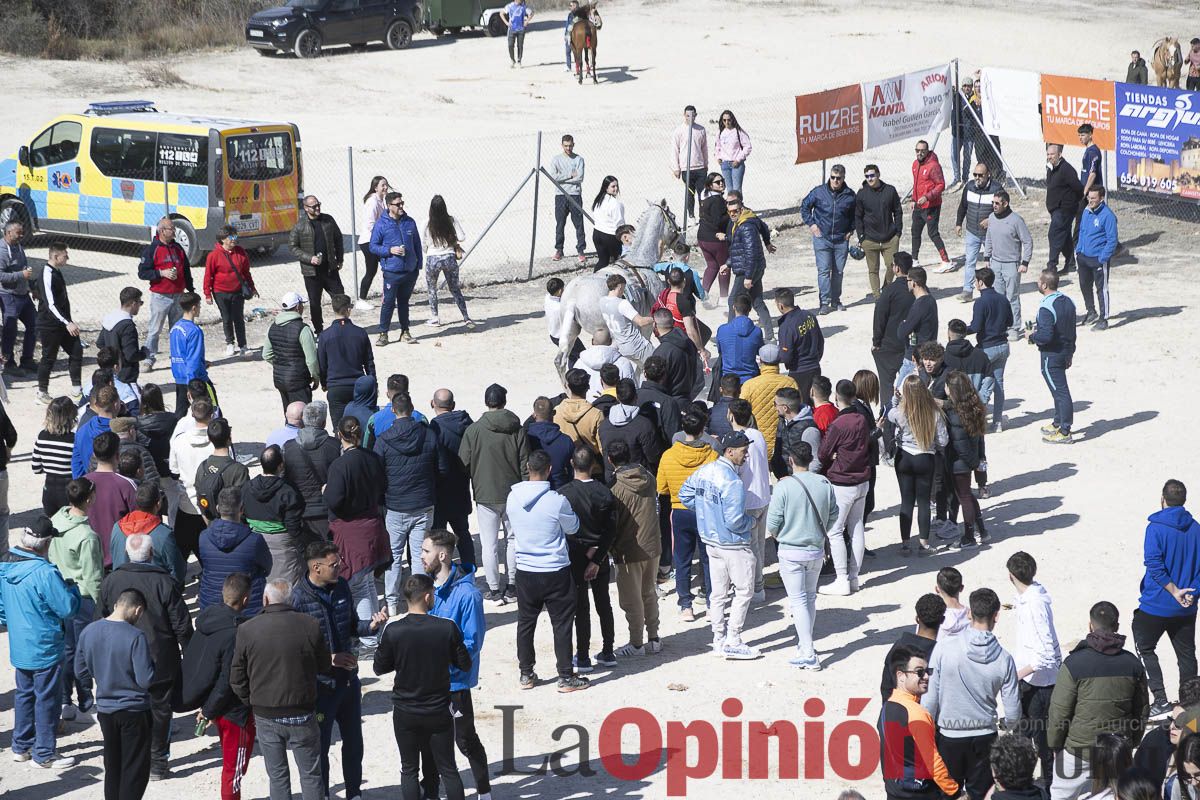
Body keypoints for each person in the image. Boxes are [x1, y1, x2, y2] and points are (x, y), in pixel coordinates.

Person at [293, 541, 388, 800]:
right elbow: (296, 651)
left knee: (354, 742)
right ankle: (321, 793)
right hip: (320, 686)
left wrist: (371, 626)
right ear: (316, 567)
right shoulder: (298, 599)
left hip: (348, 680)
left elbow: (352, 626)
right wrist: (329, 659)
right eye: (334, 565)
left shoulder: (342, 586)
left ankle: (354, 792)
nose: (340, 568)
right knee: (320, 746)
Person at [98, 533, 193, 780]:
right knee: (160, 709)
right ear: (151, 554)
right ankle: (157, 764)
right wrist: (190, 653)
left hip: (120, 657)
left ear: (128, 554)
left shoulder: (111, 581)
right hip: (159, 657)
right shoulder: (165, 582)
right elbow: (181, 625)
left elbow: (103, 615)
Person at [374, 574, 472, 800]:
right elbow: (464, 664)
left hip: (406, 711)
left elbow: (380, 667)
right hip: (438, 709)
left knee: (409, 768)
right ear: (427, 596)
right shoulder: (446, 627)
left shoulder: (394, 630)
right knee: (448, 768)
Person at [230, 580, 329, 800]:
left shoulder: (247, 629)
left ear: (265, 599)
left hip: (266, 712)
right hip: (302, 710)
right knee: (311, 775)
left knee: (277, 776)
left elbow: (237, 676)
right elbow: (324, 666)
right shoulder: (310, 624)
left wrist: (252, 700)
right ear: (291, 600)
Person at [923, 587, 1021, 800]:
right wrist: (1007, 726)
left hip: (950, 735)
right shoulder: (1005, 659)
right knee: (981, 795)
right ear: (996, 615)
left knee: (947, 793)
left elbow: (930, 699)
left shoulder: (944, 648)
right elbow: (1013, 712)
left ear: (969, 613)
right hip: (985, 735)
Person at [1047, 601, 1149, 800]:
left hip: (1078, 749)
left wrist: (1055, 745)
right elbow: (1141, 710)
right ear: (1117, 627)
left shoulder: (1074, 663)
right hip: (1116, 750)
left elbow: (1059, 711)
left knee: (1061, 795)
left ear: (1090, 626)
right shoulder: (1133, 664)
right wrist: (1131, 742)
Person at [0, 523, 82, 770]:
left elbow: (2, 611)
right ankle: (44, 753)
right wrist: (73, 589)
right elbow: (68, 608)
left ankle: (21, 746)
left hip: (20, 645)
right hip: (45, 645)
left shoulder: (4, 568)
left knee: (24, 694)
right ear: (45, 544)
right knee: (47, 699)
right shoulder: (44, 573)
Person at [507, 449, 589, 691]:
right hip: (554, 570)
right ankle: (565, 676)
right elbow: (573, 527)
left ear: (528, 469)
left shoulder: (513, 497)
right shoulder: (556, 500)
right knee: (562, 624)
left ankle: (526, 673)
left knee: (525, 622)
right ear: (549, 470)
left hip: (525, 570)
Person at [422, 529, 491, 799]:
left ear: (442, 554)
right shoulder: (425, 587)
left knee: (464, 740)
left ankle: (484, 791)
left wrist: (444, 665)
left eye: (426, 551)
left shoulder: (468, 595)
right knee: (428, 742)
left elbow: (473, 643)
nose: (421, 555)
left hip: (454, 682)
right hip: (428, 682)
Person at [680, 431, 759, 659]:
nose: (746, 455)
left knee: (718, 593)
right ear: (730, 451)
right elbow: (735, 521)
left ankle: (718, 639)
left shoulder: (705, 471)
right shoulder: (733, 482)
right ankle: (733, 639)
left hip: (711, 542)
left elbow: (685, 495)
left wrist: (706, 513)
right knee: (744, 591)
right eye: (744, 451)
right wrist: (752, 522)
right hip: (733, 544)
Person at [179, 573, 254, 800]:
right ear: (245, 600)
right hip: (235, 712)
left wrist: (208, 708)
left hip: (214, 706)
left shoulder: (205, 621)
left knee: (230, 766)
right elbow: (229, 678)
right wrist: (210, 709)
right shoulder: (236, 632)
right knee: (234, 771)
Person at [75, 587, 155, 800]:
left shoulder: (88, 632)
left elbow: (79, 671)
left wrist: (92, 690)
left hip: (105, 711)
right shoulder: (136, 636)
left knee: (113, 766)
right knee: (134, 770)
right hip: (134, 710)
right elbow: (145, 680)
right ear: (137, 610)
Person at [1133, 479, 1200, 720]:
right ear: (1184, 500)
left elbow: (1154, 565)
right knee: (1186, 656)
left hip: (1156, 605)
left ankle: (1160, 700)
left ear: (1162, 499)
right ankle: (1191, 705)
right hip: (1187, 608)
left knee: (1144, 646)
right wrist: (1192, 593)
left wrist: (1174, 591)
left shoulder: (1155, 528)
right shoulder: (1197, 528)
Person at [768, 440, 838, 668]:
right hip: (815, 549)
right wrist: (820, 531)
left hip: (791, 550)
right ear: (811, 459)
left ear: (790, 460)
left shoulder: (784, 486)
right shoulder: (824, 482)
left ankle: (807, 650)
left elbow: (773, 522)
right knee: (809, 598)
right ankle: (805, 644)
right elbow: (834, 515)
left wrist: (782, 535)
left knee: (798, 600)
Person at [324, 415, 389, 650]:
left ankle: (370, 639)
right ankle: (375, 631)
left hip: (352, 530)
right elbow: (383, 486)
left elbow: (334, 501)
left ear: (340, 435)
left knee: (357, 584)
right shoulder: (373, 458)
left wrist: (326, 491)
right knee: (367, 581)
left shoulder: (340, 465)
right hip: (372, 524)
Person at [375, 391, 443, 612]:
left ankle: (392, 605)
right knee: (419, 555)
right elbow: (440, 467)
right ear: (412, 409)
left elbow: (377, 473)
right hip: (423, 503)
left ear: (393, 410)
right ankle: (419, 602)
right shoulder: (429, 435)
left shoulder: (384, 440)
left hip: (395, 505)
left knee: (393, 557)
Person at [460, 383, 528, 603]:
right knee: (512, 540)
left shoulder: (474, 430)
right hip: (513, 493)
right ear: (504, 402)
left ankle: (494, 590)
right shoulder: (517, 429)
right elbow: (525, 462)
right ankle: (511, 586)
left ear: (486, 402)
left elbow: (463, 462)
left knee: (489, 545)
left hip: (485, 494)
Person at [557, 446, 618, 671]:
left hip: (575, 556)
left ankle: (582, 657)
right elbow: (611, 530)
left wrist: (585, 555)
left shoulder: (563, 493)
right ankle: (608, 651)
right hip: (599, 555)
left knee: (581, 607)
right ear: (594, 465)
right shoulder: (605, 492)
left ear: (572, 464)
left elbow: (562, 529)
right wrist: (597, 557)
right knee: (604, 603)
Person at [1006, 551, 1063, 787]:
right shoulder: (1031, 595)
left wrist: (1015, 676)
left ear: (1010, 576)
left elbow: (1046, 654)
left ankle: (1046, 787)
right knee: (1027, 738)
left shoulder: (1034, 606)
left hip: (1038, 684)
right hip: (1036, 681)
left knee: (1040, 743)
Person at [49, 479, 102, 716]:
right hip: (81, 598)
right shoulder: (87, 535)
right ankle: (85, 699)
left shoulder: (55, 521)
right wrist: (102, 604)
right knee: (83, 651)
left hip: (58, 595)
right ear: (89, 499)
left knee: (66, 649)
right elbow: (92, 577)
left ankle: (64, 700)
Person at [879, 646, 960, 799]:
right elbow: (933, 762)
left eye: (927, 671)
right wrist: (954, 792)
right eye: (919, 672)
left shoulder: (886, 709)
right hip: (920, 794)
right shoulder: (917, 714)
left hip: (894, 793)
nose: (926, 677)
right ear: (901, 676)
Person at [656, 411, 715, 620]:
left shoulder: (669, 455)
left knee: (682, 559)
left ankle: (685, 605)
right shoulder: (712, 455)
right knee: (709, 559)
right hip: (705, 512)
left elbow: (661, 488)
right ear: (702, 431)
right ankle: (711, 603)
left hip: (679, 511)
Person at [606, 440, 662, 656]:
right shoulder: (649, 477)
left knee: (632, 599)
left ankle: (636, 643)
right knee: (649, 593)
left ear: (610, 460)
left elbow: (614, 522)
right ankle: (654, 638)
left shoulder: (616, 488)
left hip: (629, 549)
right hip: (652, 544)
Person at [818, 379, 871, 595]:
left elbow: (822, 453)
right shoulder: (861, 418)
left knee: (835, 531)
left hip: (843, 481)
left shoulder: (839, 424)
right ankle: (854, 577)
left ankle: (841, 579)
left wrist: (831, 455)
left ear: (836, 397)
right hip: (862, 480)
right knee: (857, 527)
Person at [888, 375, 948, 554]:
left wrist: (896, 399)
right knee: (923, 502)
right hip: (925, 457)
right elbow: (943, 441)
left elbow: (888, 412)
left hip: (904, 457)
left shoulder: (900, 412)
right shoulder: (934, 412)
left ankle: (905, 544)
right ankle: (924, 544)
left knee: (906, 501)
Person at [198, 487, 271, 617]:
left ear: (217, 508)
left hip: (211, 603)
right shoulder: (254, 540)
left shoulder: (203, 537)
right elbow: (267, 568)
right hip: (247, 606)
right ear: (242, 509)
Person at [243, 444, 307, 585]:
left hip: (256, 541)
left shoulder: (247, 487)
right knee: (286, 587)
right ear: (281, 466)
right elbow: (293, 525)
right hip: (284, 546)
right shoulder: (288, 491)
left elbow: (243, 515)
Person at [428, 389, 478, 567]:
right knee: (463, 533)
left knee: (438, 536)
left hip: (441, 490)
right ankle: (469, 567)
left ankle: (440, 569)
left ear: (433, 404)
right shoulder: (468, 424)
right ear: (453, 405)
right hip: (461, 487)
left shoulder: (433, 428)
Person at [1028, 270, 1077, 444]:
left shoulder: (1046, 307)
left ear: (1044, 285)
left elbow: (1046, 336)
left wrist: (1032, 336)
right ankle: (1057, 422)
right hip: (1064, 351)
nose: (1037, 284)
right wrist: (1071, 352)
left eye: (1038, 281)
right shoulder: (1068, 301)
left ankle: (1065, 431)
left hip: (1051, 356)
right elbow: (1072, 331)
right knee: (1058, 390)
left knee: (1060, 392)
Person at [137, 218, 193, 371]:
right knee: (155, 329)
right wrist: (161, 273)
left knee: (177, 328)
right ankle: (149, 358)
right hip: (160, 296)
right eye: (171, 228)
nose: (174, 231)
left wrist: (191, 289)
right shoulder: (151, 249)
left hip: (178, 294)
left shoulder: (178, 248)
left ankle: (178, 356)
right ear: (162, 231)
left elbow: (186, 269)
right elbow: (142, 273)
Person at [284, 400, 343, 542]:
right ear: (323, 422)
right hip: (327, 512)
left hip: (299, 512)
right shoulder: (335, 446)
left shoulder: (288, 448)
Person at [801, 163, 856, 314]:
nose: (835, 181)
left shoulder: (850, 195)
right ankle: (824, 302)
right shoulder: (818, 192)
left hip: (840, 239)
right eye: (833, 177)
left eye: (838, 178)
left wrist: (851, 230)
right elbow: (804, 207)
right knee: (824, 270)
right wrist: (812, 224)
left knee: (838, 272)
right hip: (822, 238)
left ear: (843, 178)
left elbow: (856, 214)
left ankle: (836, 300)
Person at [369, 190, 423, 345]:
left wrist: (418, 265)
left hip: (410, 271)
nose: (401, 206)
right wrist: (389, 250)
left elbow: (417, 244)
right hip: (392, 271)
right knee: (388, 303)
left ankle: (405, 332)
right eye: (397, 204)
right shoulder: (381, 224)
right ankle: (383, 334)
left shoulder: (409, 222)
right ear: (389, 205)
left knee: (404, 302)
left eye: (402, 203)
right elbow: (373, 246)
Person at [722, 190, 776, 339]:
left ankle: (730, 335)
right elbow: (739, 249)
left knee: (733, 300)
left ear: (741, 209)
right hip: (753, 268)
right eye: (730, 212)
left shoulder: (745, 226)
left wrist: (748, 277)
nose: (732, 214)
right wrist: (728, 263)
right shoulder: (743, 221)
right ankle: (770, 335)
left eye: (735, 211)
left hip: (748, 270)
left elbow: (750, 253)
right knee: (757, 301)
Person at [944, 371, 989, 548]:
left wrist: (974, 464)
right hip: (970, 460)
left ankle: (969, 537)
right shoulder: (972, 406)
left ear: (952, 390)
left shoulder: (956, 416)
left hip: (960, 464)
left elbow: (960, 446)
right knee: (968, 496)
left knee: (964, 498)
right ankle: (982, 531)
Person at [35, 242, 84, 404]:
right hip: (49, 324)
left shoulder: (57, 272)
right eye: (65, 255)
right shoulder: (46, 273)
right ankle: (42, 392)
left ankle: (77, 390)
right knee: (49, 357)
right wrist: (67, 322)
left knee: (76, 350)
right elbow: (50, 304)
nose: (67, 257)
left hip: (63, 323)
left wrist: (68, 321)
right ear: (56, 257)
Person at [982, 188, 1033, 342]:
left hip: (1012, 264)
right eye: (993, 203)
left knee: (1012, 297)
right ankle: (1000, 326)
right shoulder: (991, 217)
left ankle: (1014, 328)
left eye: (997, 203)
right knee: (998, 297)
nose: (994, 206)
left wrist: (1025, 262)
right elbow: (989, 238)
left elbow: (1028, 241)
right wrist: (986, 257)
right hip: (995, 263)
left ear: (1006, 203)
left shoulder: (1016, 220)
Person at [110, 481, 184, 585]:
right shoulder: (164, 534)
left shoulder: (117, 528)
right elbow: (177, 570)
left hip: (123, 590)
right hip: (153, 592)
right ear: (158, 504)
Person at [966, 267, 1013, 429]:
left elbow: (976, 326)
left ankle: (977, 419)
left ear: (981, 282)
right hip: (1003, 346)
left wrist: (961, 330)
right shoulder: (1003, 299)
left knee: (978, 384)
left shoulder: (980, 302)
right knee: (999, 384)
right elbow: (1010, 322)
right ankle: (998, 422)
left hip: (987, 348)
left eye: (976, 281)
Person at [317, 293, 375, 426]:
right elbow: (369, 362)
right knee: (361, 426)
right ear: (348, 309)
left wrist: (324, 383)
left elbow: (322, 364)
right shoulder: (360, 333)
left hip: (336, 387)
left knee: (339, 428)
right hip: (358, 385)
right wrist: (373, 382)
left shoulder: (325, 336)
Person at [289, 195, 345, 335]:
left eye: (318, 204)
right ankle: (319, 331)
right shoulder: (300, 226)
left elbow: (338, 239)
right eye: (314, 206)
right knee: (315, 303)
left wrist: (340, 258)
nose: (318, 208)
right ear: (306, 208)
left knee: (340, 297)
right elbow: (293, 247)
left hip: (330, 269)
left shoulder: (328, 220)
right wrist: (309, 258)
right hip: (311, 272)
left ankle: (343, 325)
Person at [86, 428, 138, 568]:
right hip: (119, 559)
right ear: (118, 455)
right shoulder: (126, 485)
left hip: (90, 558)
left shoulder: (83, 483)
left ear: (95, 455)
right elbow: (137, 522)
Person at [880, 593, 947, 701]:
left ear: (917, 619)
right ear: (942, 620)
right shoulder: (942, 655)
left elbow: (886, 686)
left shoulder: (898, 646)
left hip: (892, 711)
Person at [203, 226, 257, 356]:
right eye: (231, 237)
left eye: (235, 236)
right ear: (223, 239)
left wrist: (252, 287)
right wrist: (207, 294)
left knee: (238, 318)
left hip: (237, 291)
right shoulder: (213, 255)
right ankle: (230, 343)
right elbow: (208, 275)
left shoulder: (241, 252)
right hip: (220, 292)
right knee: (226, 318)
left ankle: (243, 346)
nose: (234, 239)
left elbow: (246, 273)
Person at [263, 292, 318, 418]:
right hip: (299, 381)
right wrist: (316, 377)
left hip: (280, 380)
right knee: (303, 418)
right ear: (298, 307)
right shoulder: (302, 329)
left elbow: (266, 354)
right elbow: (311, 360)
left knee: (289, 416)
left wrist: (281, 364)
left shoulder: (273, 327)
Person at [872, 252, 916, 408]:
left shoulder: (889, 291)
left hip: (889, 345)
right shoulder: (919, 290)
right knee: (911, 385)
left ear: (897, 268)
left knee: (886, 384)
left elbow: (879, 318)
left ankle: (887, 416)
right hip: (911, 345)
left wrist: (876, 341)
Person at [955, 162, 1003, 303]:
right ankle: (967, 291)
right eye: (975, 174)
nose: (977, 178)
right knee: (970, 261)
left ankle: (996, 290)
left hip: (990, 234)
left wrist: (990, 219)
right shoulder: (969, 187)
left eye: (980, 175)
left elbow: (1004, 210)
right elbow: (963, 206)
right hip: (972, 232)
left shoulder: (997, 189)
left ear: (988, 175)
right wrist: (958, 223)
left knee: (993, 262)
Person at [855, 164, 904, 298]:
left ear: (878, 175)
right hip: (869, 239)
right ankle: (877, 297)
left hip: (890, 238)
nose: (870, 179)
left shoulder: (890, 190)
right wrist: (861, 237)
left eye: (872, 175)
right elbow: (857, 217)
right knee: (873, 270)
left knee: (892, 266)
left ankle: (886, 289)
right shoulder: (862, 194)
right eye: (867, 176)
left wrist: (898, 233)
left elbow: (898, 211)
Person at [424, 195, 474, 328]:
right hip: (449, 257)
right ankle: (466, 317)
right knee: (455, 289)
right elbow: (462, 237)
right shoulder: (451, 220)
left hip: (433, 258)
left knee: (432, 289)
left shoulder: (427, 223)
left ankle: (435, 317)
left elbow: (424, 245)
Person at [98, 286, 149, 415]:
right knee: (135, 407)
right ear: (133, 303)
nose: (140, 306)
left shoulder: (110, 319)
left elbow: (100, 343)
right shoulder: (127, 325)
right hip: (126, 374)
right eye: (140, 303)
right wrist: (144, 353)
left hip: (110, 371)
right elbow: (131, 355)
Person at [599, 378, 662, 481]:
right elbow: (653, 456)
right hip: (638, 479)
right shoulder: (644, 424)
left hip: (613, 479)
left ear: (618, 397)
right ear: (636, 397)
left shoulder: (604, 425)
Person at [652, 280, 706, 398]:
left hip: (673, 398)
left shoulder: (660, 352)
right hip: (685, 396)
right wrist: (701, 349)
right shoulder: (689, 344)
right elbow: (690, 330)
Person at [1075, 186, 1119, 331]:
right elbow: (1082, 231)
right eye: (1089, 197)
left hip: (1098, 259)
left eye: (1093, 198)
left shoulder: (1108, 216)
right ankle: (1091, 311)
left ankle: (1103, 318)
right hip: (1083, 257)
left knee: (1101, 289)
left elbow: (1112, 240)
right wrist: (1079, 251)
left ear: (1101, 198)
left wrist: (1102, 258)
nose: (1090, 200)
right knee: (1084, 285)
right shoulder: (1086, 211)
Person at [193, 416, 249, 524]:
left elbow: (201, 504)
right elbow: (245, 504)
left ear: (209, 439)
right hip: (235, 528)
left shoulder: (202, 467)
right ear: (230, 439)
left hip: (213, 528)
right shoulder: (239, 470)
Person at [0, 218, 37, 378]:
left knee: (34, 325)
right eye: (18, 232)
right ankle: (8, 363)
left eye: (22, 232)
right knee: (10, 330)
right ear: (8, 233)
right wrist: (20, 275)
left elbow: (24, 268)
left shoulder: (18, 246)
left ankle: (27, 359)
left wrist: (33, 287)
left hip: (23, 295)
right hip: (9, 296)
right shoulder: (1, 251)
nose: (22, 235)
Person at [168, 291, 214, 416]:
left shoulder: (175, 328)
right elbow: (192, 361)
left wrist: (202, 363)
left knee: (181, 414)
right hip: (195, 381)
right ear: (194, 308)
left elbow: (180, 355)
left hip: (179, 378)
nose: (200, 309)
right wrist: (192, 386)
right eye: (199, 306)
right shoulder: (194, 331)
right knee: (212, 411)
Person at [775, 287, 823, 400]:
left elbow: (786, 356)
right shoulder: (809, 315)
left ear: (780, 305)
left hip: (799, 373)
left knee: (801, 407)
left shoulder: (786, 326)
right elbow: (820, 341)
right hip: (815, 368)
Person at [896, 266, 939, 392]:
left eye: (908, 281)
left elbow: (901, 333)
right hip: (926, 354)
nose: (907, 284)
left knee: (898, 394)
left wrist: (902, 324)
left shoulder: (919, 305)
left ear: (913, 283)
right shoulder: (931, 299)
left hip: (914, 358)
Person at [911, 140, 952, 269]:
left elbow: (941, 185)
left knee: (932, 233)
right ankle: (914, 260)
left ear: (927, 151)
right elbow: (916, 184)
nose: (920, 153)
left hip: (931, 206)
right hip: (918, 205)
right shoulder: (915, 164)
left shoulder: (933, 166)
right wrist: (913, 199)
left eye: (922, 150)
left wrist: (927, 197)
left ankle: (946, 261)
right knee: (915, 231)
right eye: (917, 150)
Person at [33, 396, 78, 514]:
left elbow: (36, 468)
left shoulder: (42, 436)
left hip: (49, 489)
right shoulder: (74, 439)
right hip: (70, 489)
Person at [1045, 144, 1084, 275]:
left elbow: (1078, 188)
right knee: (1064, 236)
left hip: (1064, 210)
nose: (1049, 157)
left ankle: (1052, 266)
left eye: (1052, 154)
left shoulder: (1067, 170)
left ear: (1060, 154)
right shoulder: (1051, 168)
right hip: (1055, 209)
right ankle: (1071, 263)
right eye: (1048, 154)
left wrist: (1070, 203)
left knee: (1054, 234)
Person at [770, 386, 824, 480]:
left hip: (799, 484)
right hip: (782, 479)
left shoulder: (809, 429)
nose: (774, 407)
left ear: (785, 408)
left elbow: (816, 461)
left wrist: (796, 480)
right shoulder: (782, 421)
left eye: (775, 404)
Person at [551, 134, 587, 264]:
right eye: (566, 146)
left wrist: (563, 178)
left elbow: (580, 178)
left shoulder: (579, 159)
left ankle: (581, 250)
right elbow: (554, 178)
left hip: (575, 195)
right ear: (562, 145)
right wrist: (570, 175)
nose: (568, 148)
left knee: (579, 224)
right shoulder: (556, 159)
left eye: (570, 145)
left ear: (573, 145)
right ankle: (559, 249)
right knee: (560, 224)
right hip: (560, 195)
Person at [716, 293, 765, 385]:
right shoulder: (757, 332)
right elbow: (760, 352)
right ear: (750, 309)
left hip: (728, 380)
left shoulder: (722, 330)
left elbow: (720, 351)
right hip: (750, 379)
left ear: (734, 307)